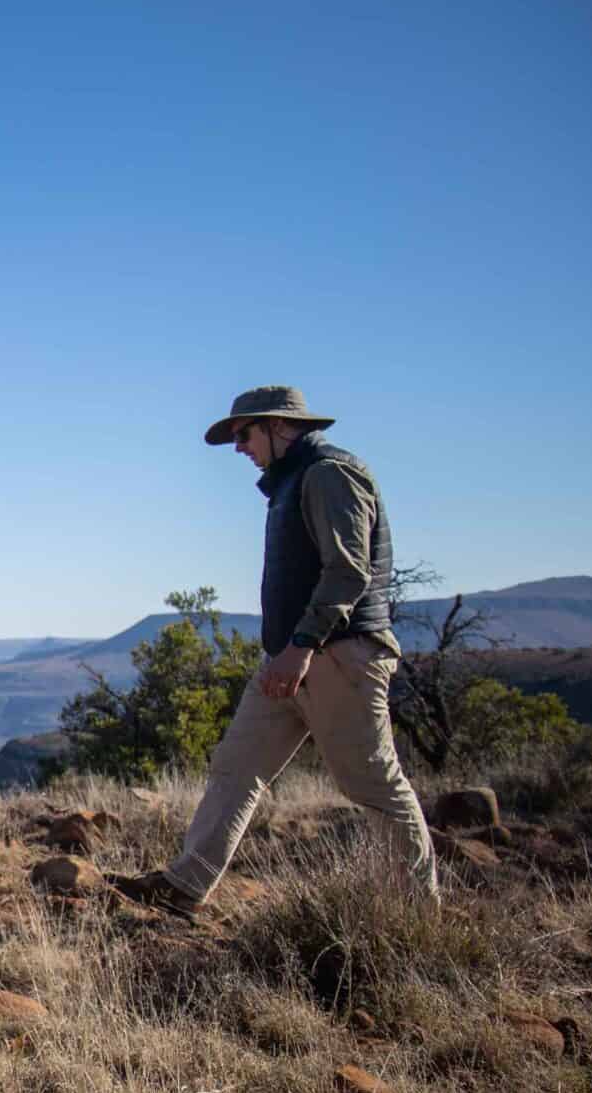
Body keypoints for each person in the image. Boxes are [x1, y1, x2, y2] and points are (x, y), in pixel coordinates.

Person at [115, 387, 437, 916]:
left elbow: (347, 572)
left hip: (339, 655)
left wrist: (304, 646)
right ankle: (185, 885)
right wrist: (289, 651)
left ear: (279, 425)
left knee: (374, 785)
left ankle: (420, 915)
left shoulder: (329, 474)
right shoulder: (294, 481)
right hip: (291, 657)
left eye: (243, 434)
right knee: (236, 766)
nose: (239, 447)